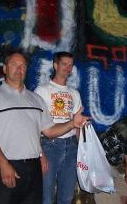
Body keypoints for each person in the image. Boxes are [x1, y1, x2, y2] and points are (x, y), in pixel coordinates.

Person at [0, 51, 89, 204]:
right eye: (14, 64)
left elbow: (49, 131)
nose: (19, 69)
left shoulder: (36, 100)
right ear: (5, 69)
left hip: (33, 168)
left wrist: (72, 124)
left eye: (23, 66)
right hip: (8, 164)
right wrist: (3, 164)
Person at [34, 52, 82, 204]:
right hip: (49, 146)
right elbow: (35, 125)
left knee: (66, 197)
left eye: (70, 65)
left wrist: (82, 151)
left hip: (71, 147)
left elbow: (77, 125)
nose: (68, 68)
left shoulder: (74, 93)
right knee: (45, 197)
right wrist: (40, 155)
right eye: (64, 64)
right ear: (55, 65)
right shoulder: (42, 90)